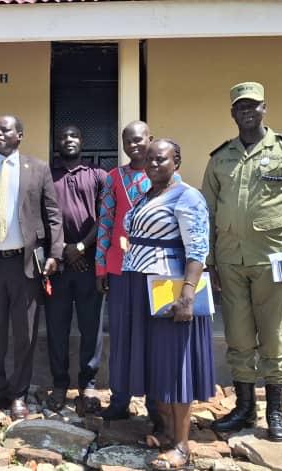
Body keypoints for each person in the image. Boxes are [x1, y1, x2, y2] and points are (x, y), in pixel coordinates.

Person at [205, 82, 282, 442]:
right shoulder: (220, 157)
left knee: (272, 336)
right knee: (238, 337)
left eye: (253, 106)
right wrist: (209, 261)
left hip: (273, 261)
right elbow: (205, 212)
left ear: (264, 108)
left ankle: (275, 411)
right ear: (232, 113)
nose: (247, 112)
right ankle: (243, 408)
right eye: (241, 107)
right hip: (230, 263)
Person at [116, 139, 214, 470]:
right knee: (153, 361)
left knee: (175, 365)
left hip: (169, 292)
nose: (153, 164)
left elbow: (197, 249)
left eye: (161, 160)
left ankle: (182, 446)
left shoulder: (188, 196)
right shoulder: (147, 194)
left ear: (177, 161)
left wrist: (187, 294)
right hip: (139, 288)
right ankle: (165, 429)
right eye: (150, 160)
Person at [0, 115, 63, 420]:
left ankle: (19, 393)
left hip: (26, 265)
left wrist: (55, 252)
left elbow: (53, 213)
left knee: (24, 333)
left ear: (20, 135)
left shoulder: (38, 169)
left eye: (5, 130)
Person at [94, 121, 156, 420]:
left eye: (139, 139)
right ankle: (120, 398)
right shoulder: (113, 177)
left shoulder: (165, 176)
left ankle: (156, 401)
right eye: (127, 141)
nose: (134, 145)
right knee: (120, 335)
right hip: (120, 268)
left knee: (154, 336)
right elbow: (105, 221)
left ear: (150, 139)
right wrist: (100, 265)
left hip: (155, 271)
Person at [44, 125, 107, 415]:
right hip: (56, 265)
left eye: (73, 136)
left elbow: (106, 216)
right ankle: (59, 383)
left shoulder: (98, 175)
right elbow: (42, 218)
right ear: (56, 143)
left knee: (90, 327)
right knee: (56, 328)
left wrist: (80, 248)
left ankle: (88, 383)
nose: (67, 139)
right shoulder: (48, 175)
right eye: (62, 136)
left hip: (88, 264)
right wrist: (63, 252)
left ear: (82, 141)